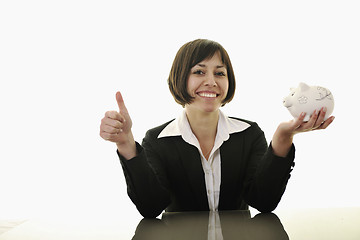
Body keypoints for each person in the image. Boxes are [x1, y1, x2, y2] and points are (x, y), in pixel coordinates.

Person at [99, 39, 334, 218]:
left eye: (219, 73)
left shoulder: (249, 134)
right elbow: (150, 208)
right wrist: (126, 143)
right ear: (181, 78)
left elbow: (263, 202)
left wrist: (284, 137)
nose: (211, 81)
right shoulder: (157, 140)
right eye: (199, 71)